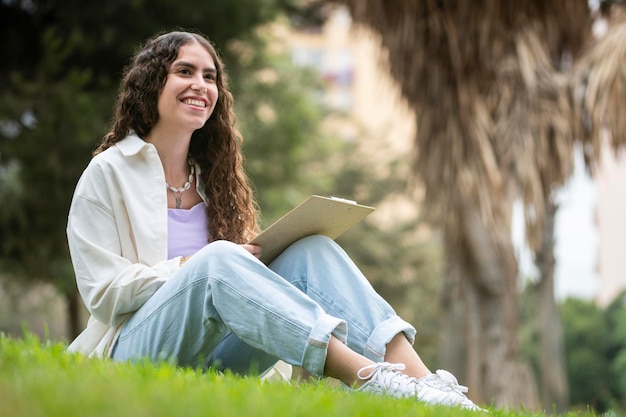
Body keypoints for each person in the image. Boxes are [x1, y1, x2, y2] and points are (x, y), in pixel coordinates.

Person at [66, 30, 481, 411]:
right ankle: (367, 376)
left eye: (210, 77)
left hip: (215, 356)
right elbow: (104, 294)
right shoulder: (108, 172)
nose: (200, 85)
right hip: (134, 349)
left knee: (311, 250)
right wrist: (191, 267)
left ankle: (429, 388)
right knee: (218, 260)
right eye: (184, 71)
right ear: (152, 83)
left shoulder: (214, 182)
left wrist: (248, 264)